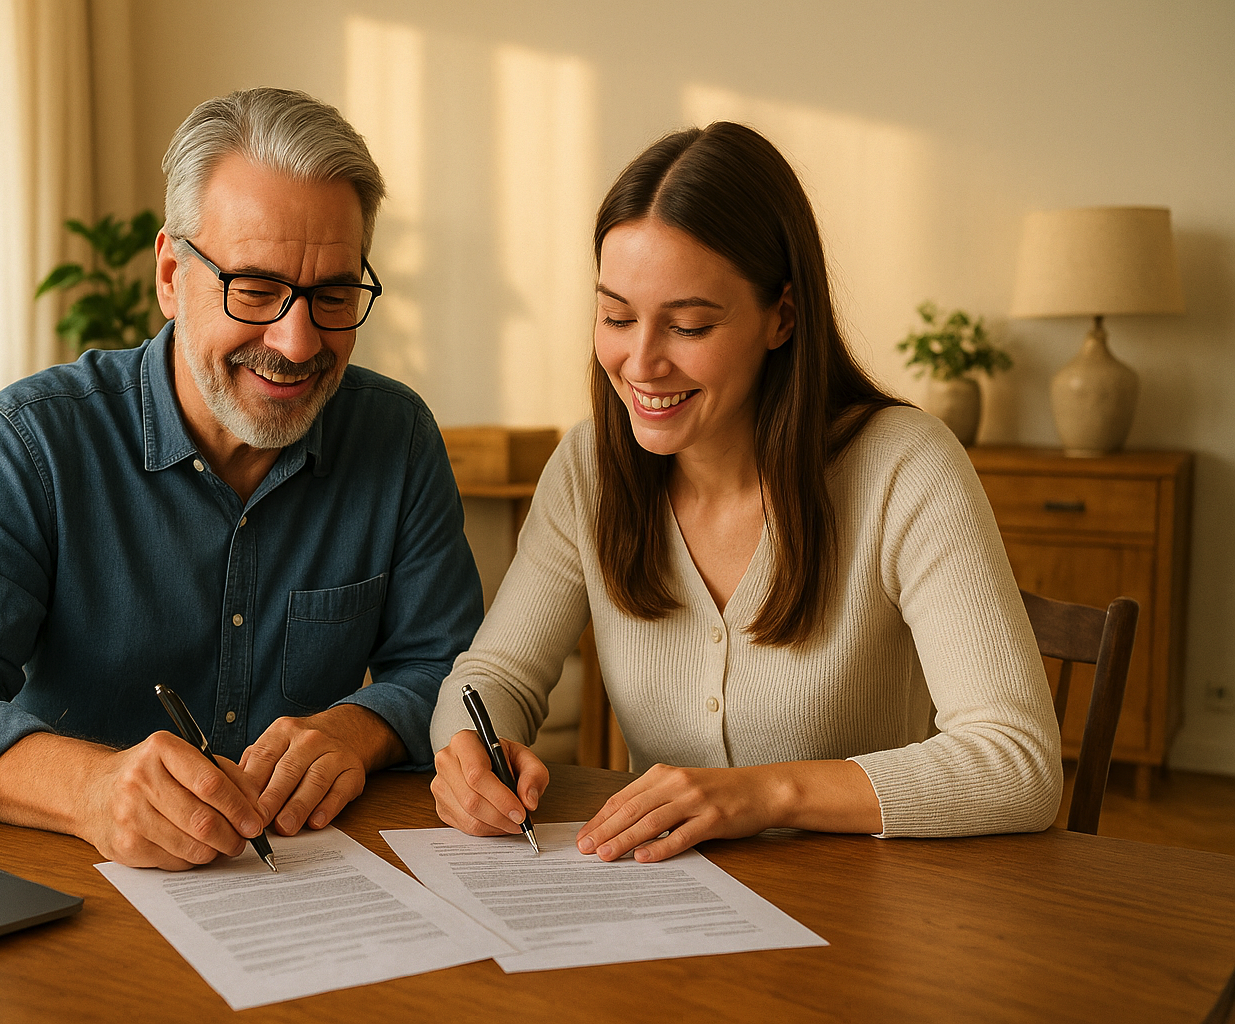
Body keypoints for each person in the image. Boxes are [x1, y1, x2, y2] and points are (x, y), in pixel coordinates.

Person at [0, 88, 482, 871]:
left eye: (332, 296)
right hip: (65, 886)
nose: (297, 343)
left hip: (303, 886)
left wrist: (354, 729)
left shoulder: (396, 437)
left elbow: (451, 669)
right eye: (253, 289)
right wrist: (91, 788)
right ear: (169, 275)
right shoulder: (31, 443)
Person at [429, 123, 1061, 862]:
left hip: (881, 924)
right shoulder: (589, 469)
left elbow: (1018, 761)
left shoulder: (903, 468)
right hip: (668, 914)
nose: (640, 362)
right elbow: (491, 676)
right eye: (616, 316)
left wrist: (762, 794)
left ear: (781, 318)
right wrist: (470, 755)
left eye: (689, 325)